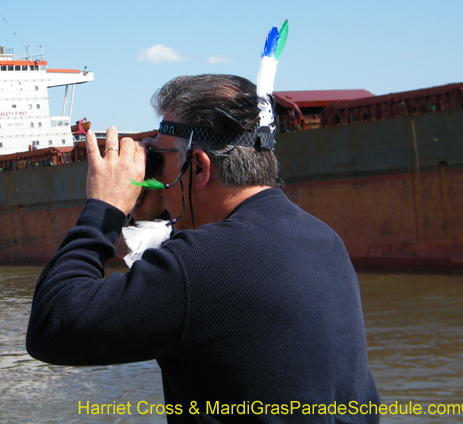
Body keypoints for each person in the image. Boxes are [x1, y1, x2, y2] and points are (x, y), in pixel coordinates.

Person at [27, 74, 379, 423]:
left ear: (198, 166)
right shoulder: (323, 239)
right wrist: (162, 205)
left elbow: (53, 324)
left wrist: (106, 209)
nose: (157, 175)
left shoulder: (199, 265)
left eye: (160, 158)